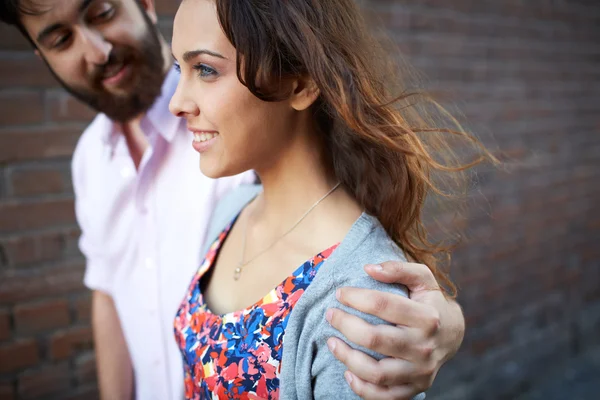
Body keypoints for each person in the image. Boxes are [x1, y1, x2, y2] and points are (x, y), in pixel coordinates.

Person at [0, 0, 467, 399]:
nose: (179, 104)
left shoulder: (230, 150)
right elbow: (108, 293)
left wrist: (447, 323)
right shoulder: (206, 200)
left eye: (204, 69)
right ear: (41, 53)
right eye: (60, 39)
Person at [170, 0, 488, 399]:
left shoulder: (359, 297)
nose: (177, 102)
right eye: (178, 69)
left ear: (301, 83)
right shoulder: (231, 212)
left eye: (205, 70)